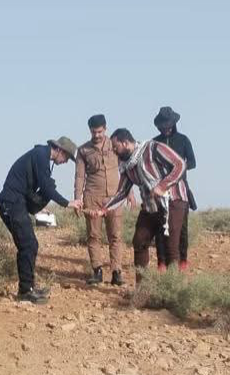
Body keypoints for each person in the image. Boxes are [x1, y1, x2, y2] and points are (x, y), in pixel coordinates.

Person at [92, 128, 189, 281]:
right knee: (139, 240)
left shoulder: (153, 148)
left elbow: (180, 164)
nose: (114, 151)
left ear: (125, 143)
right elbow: (122, 192)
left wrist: (163, 186)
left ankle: (173, 289)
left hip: (173, 200)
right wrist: (104, 210)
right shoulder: (126, 165)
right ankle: (143, 288)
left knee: (170, 247)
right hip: (151, 205)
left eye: (116, 147)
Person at [0, 137, 83, 303]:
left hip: (16, 203)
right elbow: (46, 187)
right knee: (28, 244)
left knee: (29, 244)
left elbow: (30, 188)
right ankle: (25, 291)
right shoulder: (41, 155)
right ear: (60, 150)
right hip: (11, 203)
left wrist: (40, 208)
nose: (66, 162)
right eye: (67, 157)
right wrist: (67, 203)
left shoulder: (40, 156)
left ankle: (28, 287)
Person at [74, 114, 128, 287]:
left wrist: (129, 192)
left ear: (105, 129)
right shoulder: (83, 150)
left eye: (99, 131)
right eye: (93, 132)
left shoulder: (115, 145)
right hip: (92, 197)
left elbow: (125, 168)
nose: (96, 135)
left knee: (116, 236)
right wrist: (77, 199)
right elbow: (79, 176)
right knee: (93, 236)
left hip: (114, 197)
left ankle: (116, 272)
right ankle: (97, 270)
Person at [152, 106, 197, 271]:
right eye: (163, 126)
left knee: (182, 227)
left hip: (180, 189)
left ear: (174, 124)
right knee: (160, 226)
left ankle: (182, 259)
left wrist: (177, 168)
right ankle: (161, 261)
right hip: (161, 190)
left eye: (168, 125)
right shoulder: (154, 143)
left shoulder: (183, 140)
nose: (166, 129)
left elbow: (192, 162)